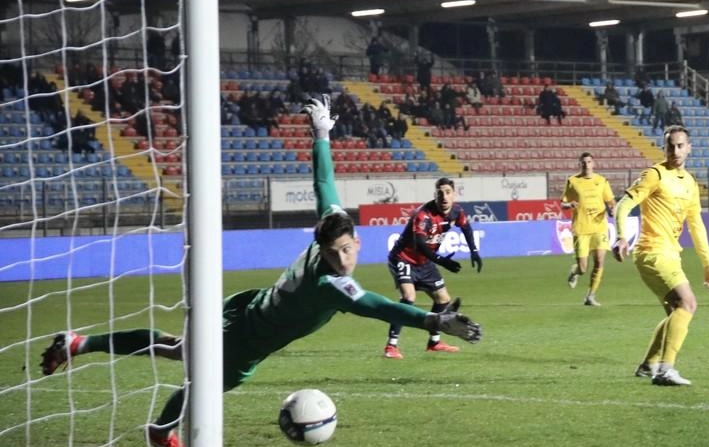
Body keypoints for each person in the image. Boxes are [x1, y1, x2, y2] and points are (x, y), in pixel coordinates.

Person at [39, 95, 483, 447]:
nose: (341, 259)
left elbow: (324, 184)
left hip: (247, 305)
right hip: (250, 337)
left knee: (178, 351)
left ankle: (81, 344)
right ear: (322, 249)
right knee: (203, 379)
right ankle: (158, 431)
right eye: (332, 254)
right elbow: (374, 304)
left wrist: (321, 135)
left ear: (355, 240)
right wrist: (432, 319)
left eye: (346, 251)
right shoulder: (333, 284)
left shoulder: (332, 220)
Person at [612, 125, 709, 386]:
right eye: (671, 146)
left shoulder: (691, 184)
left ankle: (649, 365)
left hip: (671, 254)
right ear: (664, 148)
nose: (675, 150)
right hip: (652, 252)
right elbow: (624, 204)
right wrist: (621, 235)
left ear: (689, 147)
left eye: (680, 145)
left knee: (676, 311)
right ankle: (665, 370)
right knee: (688, 304)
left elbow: (696, 225)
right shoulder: (654, 175)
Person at [383, 177, 484, 359]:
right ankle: (391, 346)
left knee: (443, 298)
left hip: (425, 262)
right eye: (440, 193)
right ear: (435, 195)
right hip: (403, 258)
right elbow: (421, 244)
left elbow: (467, 228)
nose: (444, 196)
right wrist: (442, 261)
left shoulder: (456, 211)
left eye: (447, 192)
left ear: (454, 194)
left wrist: (474, 251)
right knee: (408, 297)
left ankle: (434, 342)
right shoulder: (423, 215)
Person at [561, 152, 616, 306]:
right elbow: (563, 203)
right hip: (581, 228)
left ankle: (590, 296)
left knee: (599, 262)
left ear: (594, 163)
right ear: (580, 164)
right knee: (583, 268)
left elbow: (611, 201)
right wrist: (569, 205)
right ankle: (575, 271)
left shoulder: (602, 181)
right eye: (583, 162)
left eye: (589, 161)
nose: (586, 165)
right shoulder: (572, 181)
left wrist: (612, 209)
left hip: (599, 227)